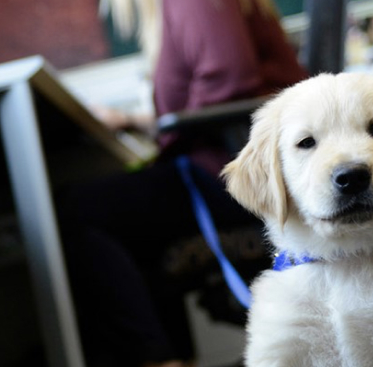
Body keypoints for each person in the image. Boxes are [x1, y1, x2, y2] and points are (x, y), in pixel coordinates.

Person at [56, 0, 308, 366]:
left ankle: (159, 360)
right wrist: (137, 121)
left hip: (236, 175)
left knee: (79, 212)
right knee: (134, 229)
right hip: (243, 164)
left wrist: (164, 134)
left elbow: (230, 76)